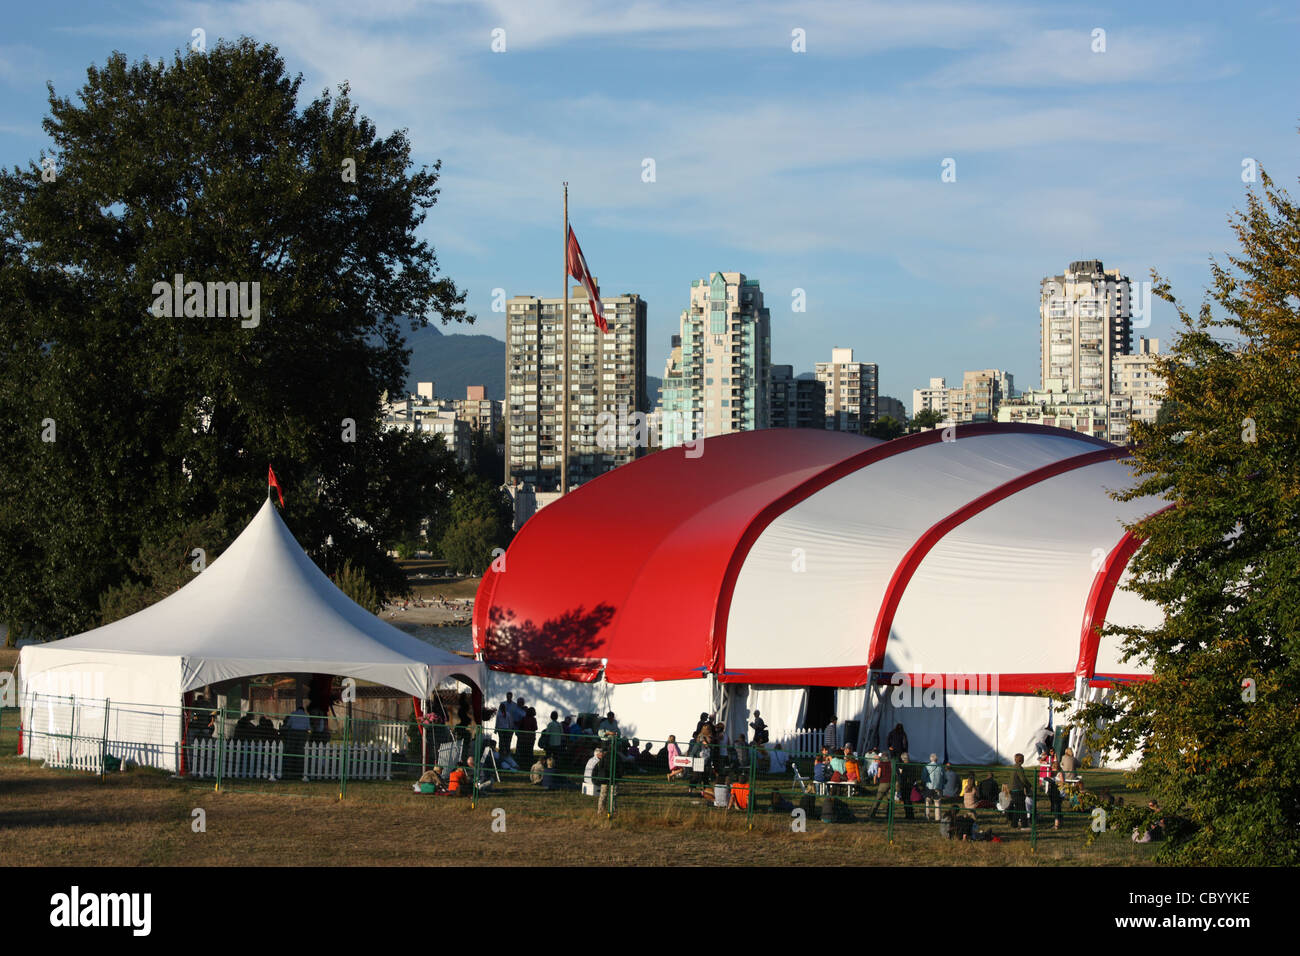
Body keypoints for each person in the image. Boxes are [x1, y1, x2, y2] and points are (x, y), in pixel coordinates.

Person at [867, 754, 893, 820]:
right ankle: (889, 815)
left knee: (878, 799)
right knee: (890, 800)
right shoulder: (891, 763)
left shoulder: (881, 764)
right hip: (891, 782)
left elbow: (878, 775)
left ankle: (871, 814)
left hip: (883, 782)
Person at [1009, 753, 1030, 829]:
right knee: (1022, 808)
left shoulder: (1014, 767)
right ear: (1022, 760)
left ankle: (1014, 824)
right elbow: (1023, 779)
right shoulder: (1019, 768)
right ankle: (1024, 825)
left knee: (1017, 808)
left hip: (1012, 790)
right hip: (1018, 790)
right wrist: (1028, 785)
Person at [896, 752, 917, 819]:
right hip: (910, 784)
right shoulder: (912, 765)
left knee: (906, 800)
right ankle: (910, 815)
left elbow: (902, 776)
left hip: (905, 784)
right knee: (908, 800)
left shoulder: (904, 766)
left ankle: (908, 815)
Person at [924, 753, 944, 820]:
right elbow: (944, 777)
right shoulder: (940, 767)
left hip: (929, 786)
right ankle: (937, 818)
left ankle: (927, 816)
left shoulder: (926, 766)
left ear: (930, 759)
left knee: (927, 802)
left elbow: (923, 777)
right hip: (938, 787)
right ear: (937, 759)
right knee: (937, 802)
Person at [1047, 762, 1065, 830]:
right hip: (1055, 791)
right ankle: (1060, 821)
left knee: (1057, 807)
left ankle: (1057, 824)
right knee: (1058, 807)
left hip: (1059, 793)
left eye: (1053, 768)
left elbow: (1062, 782)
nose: (1052, 769)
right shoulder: (1056, 774)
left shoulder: (1060, 773)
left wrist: (1055, 782)